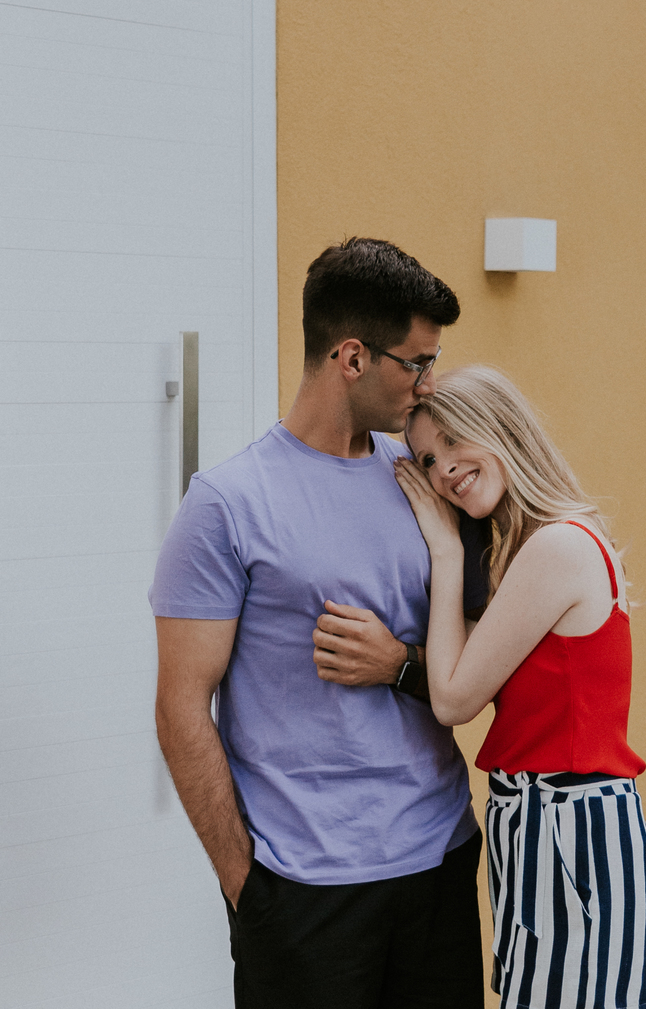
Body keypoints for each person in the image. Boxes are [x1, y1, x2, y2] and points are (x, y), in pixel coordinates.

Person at [150, 237, 487, 1009]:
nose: (431, 383)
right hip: (304, 894)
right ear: (352, 358)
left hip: (437, 864)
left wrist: (398, 660)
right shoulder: (227, 505)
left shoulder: (426, 482)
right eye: (417, 362)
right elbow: (179, 707)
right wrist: (247, 887)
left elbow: (475, 655)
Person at [395, 364, 646, 1009]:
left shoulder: (557, 549)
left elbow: (453, 699)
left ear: (499, 428)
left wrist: (444, 552)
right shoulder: (534, 551)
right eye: (428, 461)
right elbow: (465, 660)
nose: (443, 474)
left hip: (569, 830)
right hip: (548, 825)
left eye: (455, 442)